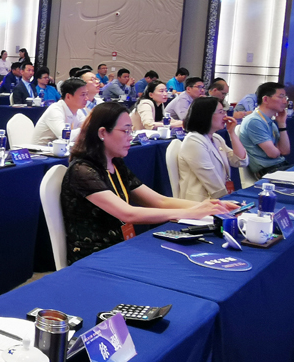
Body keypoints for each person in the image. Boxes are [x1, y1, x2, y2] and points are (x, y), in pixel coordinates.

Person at [61, 102, 235, 263]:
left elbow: (160, 201)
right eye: (125, 131)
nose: (130, 137)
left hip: (121, 247)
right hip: (94, 257)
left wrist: (211, 206)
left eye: (131, 131)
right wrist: (191, 213)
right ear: (102, 133)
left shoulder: (115, 163)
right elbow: (128, 214)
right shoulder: (82, 171)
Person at [177, 97, 248, 201]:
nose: (225, 116)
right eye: (220, 112)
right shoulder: (193, 141)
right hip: (200, 201)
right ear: (206, 115)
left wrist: (232, 133)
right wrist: (228, 201)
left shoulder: (216, 138)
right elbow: (212, 181)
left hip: (217, 198)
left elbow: (241, 161)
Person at [238, 82, 292, 178]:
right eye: (281, 97)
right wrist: (277, 150)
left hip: (281, 167)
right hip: (269, 171)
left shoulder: (269, 121)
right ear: (265, 99)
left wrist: (282, 124)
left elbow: (285, 151)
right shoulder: (254, 121)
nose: (285, 101)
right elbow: (273, 154)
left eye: (285, 97)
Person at [30, 77, 88, 145]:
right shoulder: (55, 110)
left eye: (87, 94)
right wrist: (87, 130)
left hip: (61, 150)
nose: (86, 98)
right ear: (68, 96)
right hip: (40, 150)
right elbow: (65, 136)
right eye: (83, 95)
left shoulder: (79, 111)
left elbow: (85, 130)